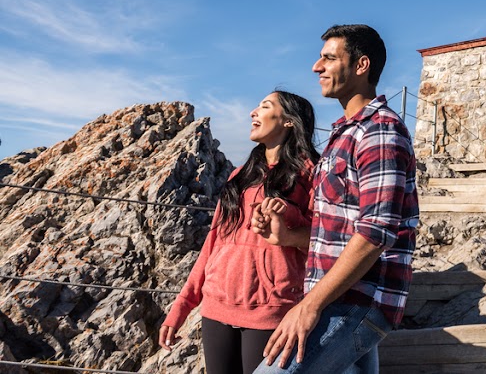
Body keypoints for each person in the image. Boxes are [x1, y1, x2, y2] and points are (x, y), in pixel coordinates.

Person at [251, 24, 419, 374]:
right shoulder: (344, 134)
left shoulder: (379, 131)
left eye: (329, 58)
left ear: (361, 66)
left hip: (355, 304)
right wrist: (287, 237)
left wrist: (309, 306)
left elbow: (375, 234)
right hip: (340, 299)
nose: (316, 66)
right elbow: (339, 229)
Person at [160, 91, 319, 374]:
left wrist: (289, 223)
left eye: (265, 107)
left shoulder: (311, 174)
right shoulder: (240, 175)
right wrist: (181, 307)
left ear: (289, 122)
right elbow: (213, 244)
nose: (253, 113)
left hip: (271, 312)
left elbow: (326, 240)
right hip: (216, 307)